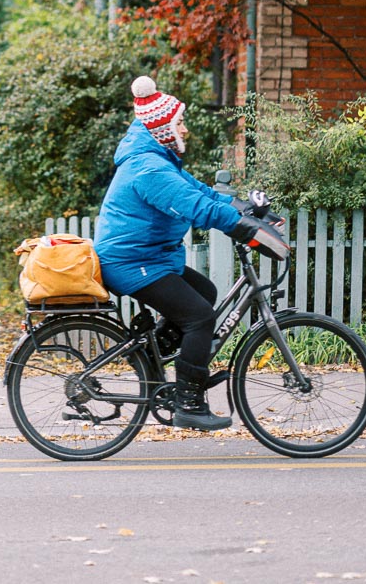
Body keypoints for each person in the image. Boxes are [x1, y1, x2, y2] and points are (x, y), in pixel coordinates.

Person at [94, 75, 256, 432]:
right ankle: (188, 403)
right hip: (130, 262)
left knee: (206, 294)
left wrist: (238, 205)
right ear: (163, 128)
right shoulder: (149, 168)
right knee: (200, 318)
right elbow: (195, 206)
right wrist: (240, 226)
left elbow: (197, 190)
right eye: (180, 122)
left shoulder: (157, 158)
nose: (185, 129)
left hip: (147, 257)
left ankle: (160, 365)